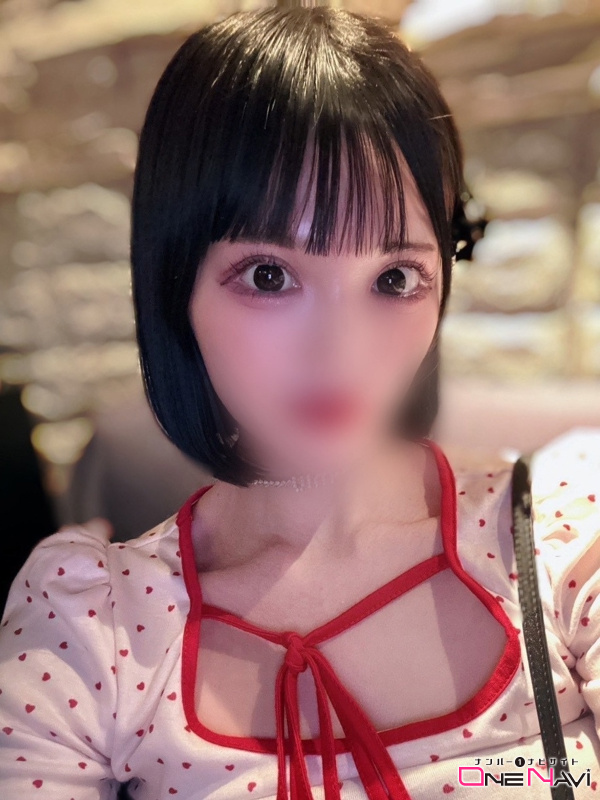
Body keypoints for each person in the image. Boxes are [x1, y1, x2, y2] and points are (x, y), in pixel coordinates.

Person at [1, 8, 599, 799]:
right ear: (174, 285)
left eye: (394, 278)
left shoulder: (563, 539)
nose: (340, 349)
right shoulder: (88, 629)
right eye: (270, 276)